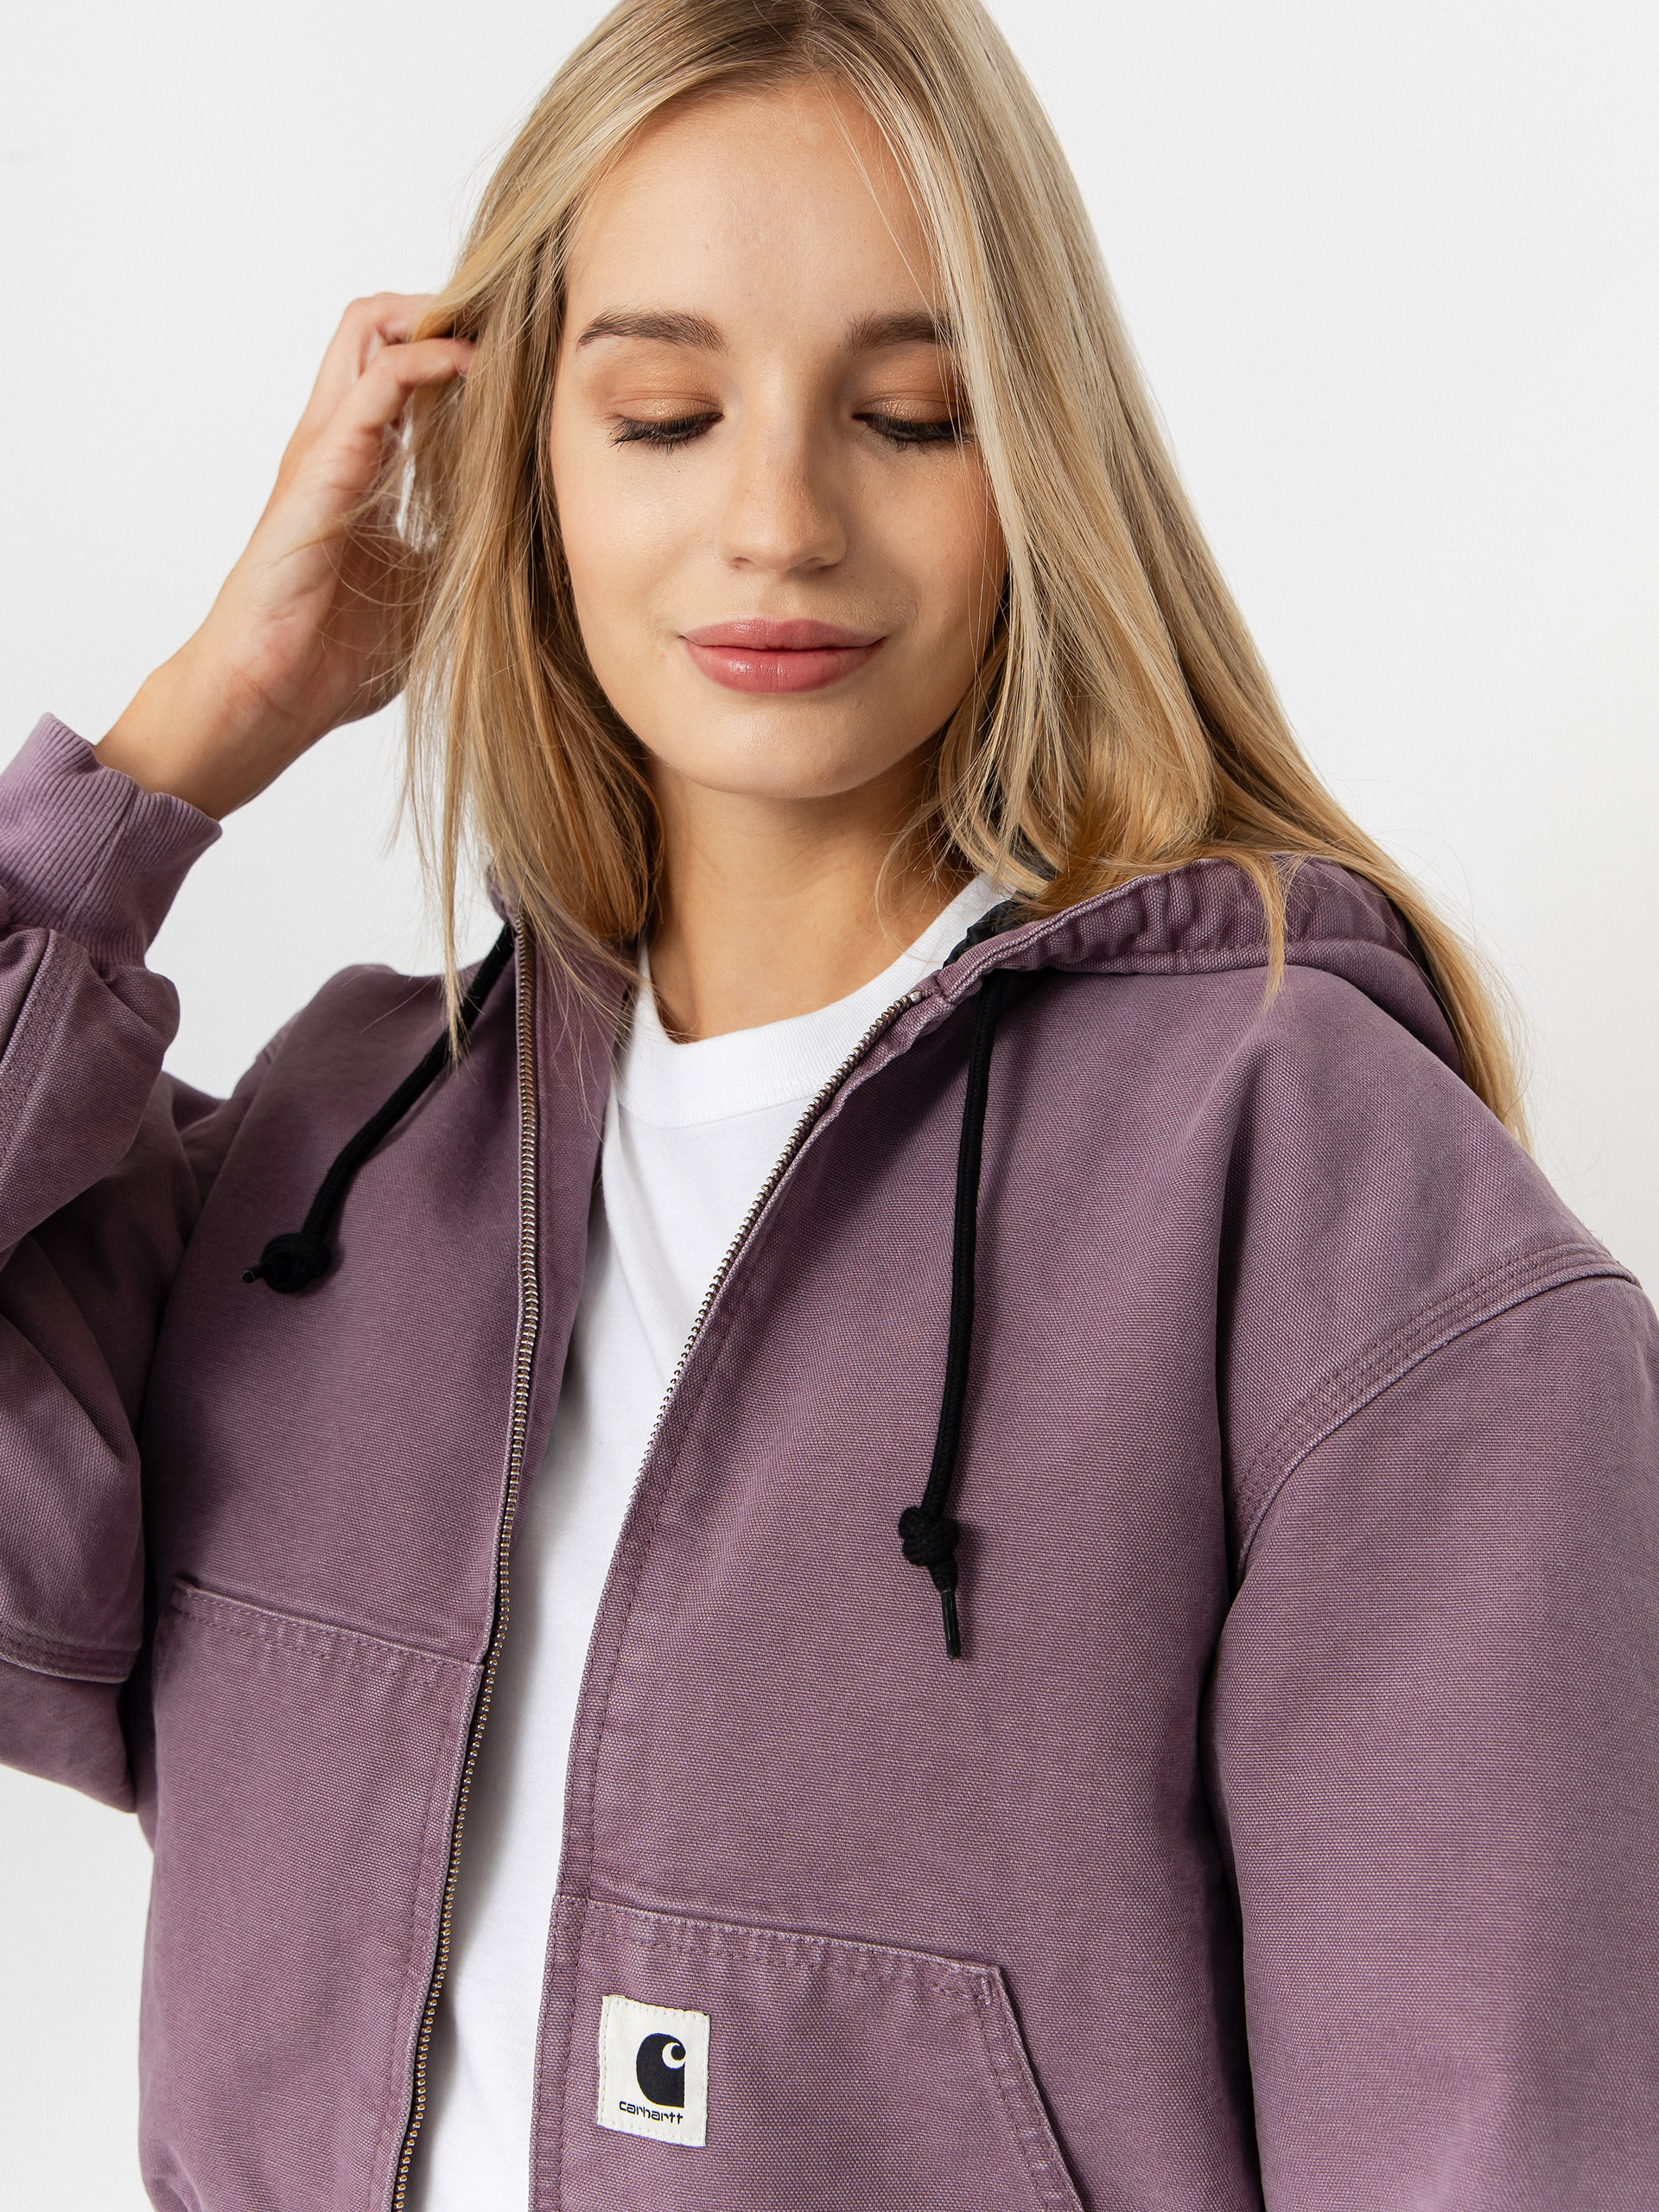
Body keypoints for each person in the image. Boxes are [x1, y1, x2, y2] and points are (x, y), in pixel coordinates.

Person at [2, 0, 1654, 2206]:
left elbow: (1502, 2130)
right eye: (666, 414)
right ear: (526, 463)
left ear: (1038, 462)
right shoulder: (334, 1171)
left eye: (907, 415)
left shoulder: (1319, 1189)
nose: (778, 518)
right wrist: (194, 728)